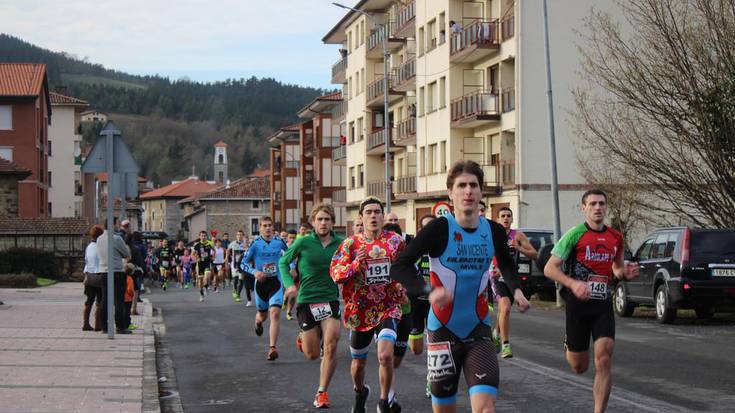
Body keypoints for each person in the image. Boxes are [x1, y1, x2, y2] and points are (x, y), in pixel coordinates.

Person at [390, 160, 530, 413]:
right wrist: (428, 291)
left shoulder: (494, 231)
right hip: (442, 331)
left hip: (479, 330)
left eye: (473, 186)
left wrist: (517, 290)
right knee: (445, 409)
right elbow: (399, 266)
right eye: (462, 186)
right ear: (451, 194)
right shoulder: (438, 229)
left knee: (486, 408)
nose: (468, 191)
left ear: (481, 192)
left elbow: (507, 266)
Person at [543, 189, 639, 413]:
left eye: (602, 204)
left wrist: (625, 273)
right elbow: (549, 268)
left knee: (604, 359)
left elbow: (616, 269)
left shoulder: (616, 237)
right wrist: (573, 284)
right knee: (579, 366)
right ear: (583, 208)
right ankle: (571, 343)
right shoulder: (574, 235)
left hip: (602, 304)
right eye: (593, 204)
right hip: (577, 305)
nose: (598, 208)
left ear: (606, 207)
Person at [330, 197, 406, 413]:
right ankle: (360, 390)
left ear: (383, 216)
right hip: (359, 311)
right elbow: (336, 274)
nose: (373, 216)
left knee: (385, 355)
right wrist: (355, 264)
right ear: (361, 218)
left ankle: (384, 401)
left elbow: (406, 268)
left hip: (387, 307)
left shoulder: (395, 241)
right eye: (369, 212)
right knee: (358, 365)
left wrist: (403, 286)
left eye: (377, 212)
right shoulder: (350, 244)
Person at [279, 204, 344, 408]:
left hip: (330, 299)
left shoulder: (342, 244)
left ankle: (322, 392)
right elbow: (283, 262)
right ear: (313, 222)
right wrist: (289, 285)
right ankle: (302, 337)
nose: (323, 223)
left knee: (331, 344)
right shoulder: (303, 242)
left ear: (332, 222)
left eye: (327, 219)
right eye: (320, 219)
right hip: (307, 300)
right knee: (312, 354)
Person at [492, 207, 538, 358]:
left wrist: (519, 248)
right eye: (502, 216)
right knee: (505, 307)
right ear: (498, 219)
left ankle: (496, 333)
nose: (506, 218)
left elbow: (535, 254)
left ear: (512, 219)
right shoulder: (492, 235)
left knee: (503, 310)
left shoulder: (517, 236)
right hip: (496, 277)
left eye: (508, 216)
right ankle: (506, 345)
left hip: (512, 279)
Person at [242, 217, 288, 361]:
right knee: (263, 315)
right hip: (261, 283)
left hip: (276, 282)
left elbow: (290, 256)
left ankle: (272, 348)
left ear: (273, 228)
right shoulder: (255, 244)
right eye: (265, 226)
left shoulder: (279, 242)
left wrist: (291, 268)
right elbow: (243, 264)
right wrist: (255, 272)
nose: (268, 228)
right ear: (260, 228)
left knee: (274, 313)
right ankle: (258, 322)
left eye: (270, 226)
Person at [407, 214, 436, 398]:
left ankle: (432, 379)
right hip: (416, 303)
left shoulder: (445, 249)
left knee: (435, 344)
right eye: (426, 228)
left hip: (437, 305)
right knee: (417, 349)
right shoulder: (414, 251)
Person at [97, 221, 132, 334]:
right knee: (119, 301)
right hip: (117, 271)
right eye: (117, 224)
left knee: (105, 299)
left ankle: (104, 326)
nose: (118, 226)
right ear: (113, 225)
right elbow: (127, 254)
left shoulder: (99, 239)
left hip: (103, 272)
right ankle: (120, 326)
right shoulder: (117, 239)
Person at [83, 225, 104, 331]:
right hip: (99, 276)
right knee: (100, 301)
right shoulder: (101, 247)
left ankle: (86, 323)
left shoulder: (89, 246)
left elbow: (86, 260)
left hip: (89, 276)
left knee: (89, 301)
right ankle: (98, 324)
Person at [191, 231, 214, 302]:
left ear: (206, 236)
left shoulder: (210, 243)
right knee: (200, 281)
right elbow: (192, 254)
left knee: (207, 275)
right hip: (200, 264)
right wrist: (196, 259)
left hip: (207, 262)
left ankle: (206, 286)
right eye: (202, 236)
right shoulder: (197, 245)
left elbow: (214, 250)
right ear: (199, 237)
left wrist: (214, 256)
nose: (203, 237)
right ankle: (201, 294)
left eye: (204, 236)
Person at [227, 230, 248, 302]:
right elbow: (228, 252)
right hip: (234, 264)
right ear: (236, 236)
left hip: (242, 264)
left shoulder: (245, 244)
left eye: (241, 235)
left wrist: (246, 248)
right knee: (235, 279)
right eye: (238, 235)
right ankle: (235, 290)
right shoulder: (232, 244)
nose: (239, 236)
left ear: (243, 236)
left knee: (241, 279)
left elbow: (248, 253)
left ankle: (238, 294)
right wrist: (226, 259)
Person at [284, 229, 299, 320]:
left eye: (294, 238)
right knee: (286, 291)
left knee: (293, 294)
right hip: (285, 272)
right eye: (290, 238)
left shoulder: (298, 247)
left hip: (296, 273)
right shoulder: (283, 247)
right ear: (287, 238)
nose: (292, 239)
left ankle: (289, 312)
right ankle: (284, 300)